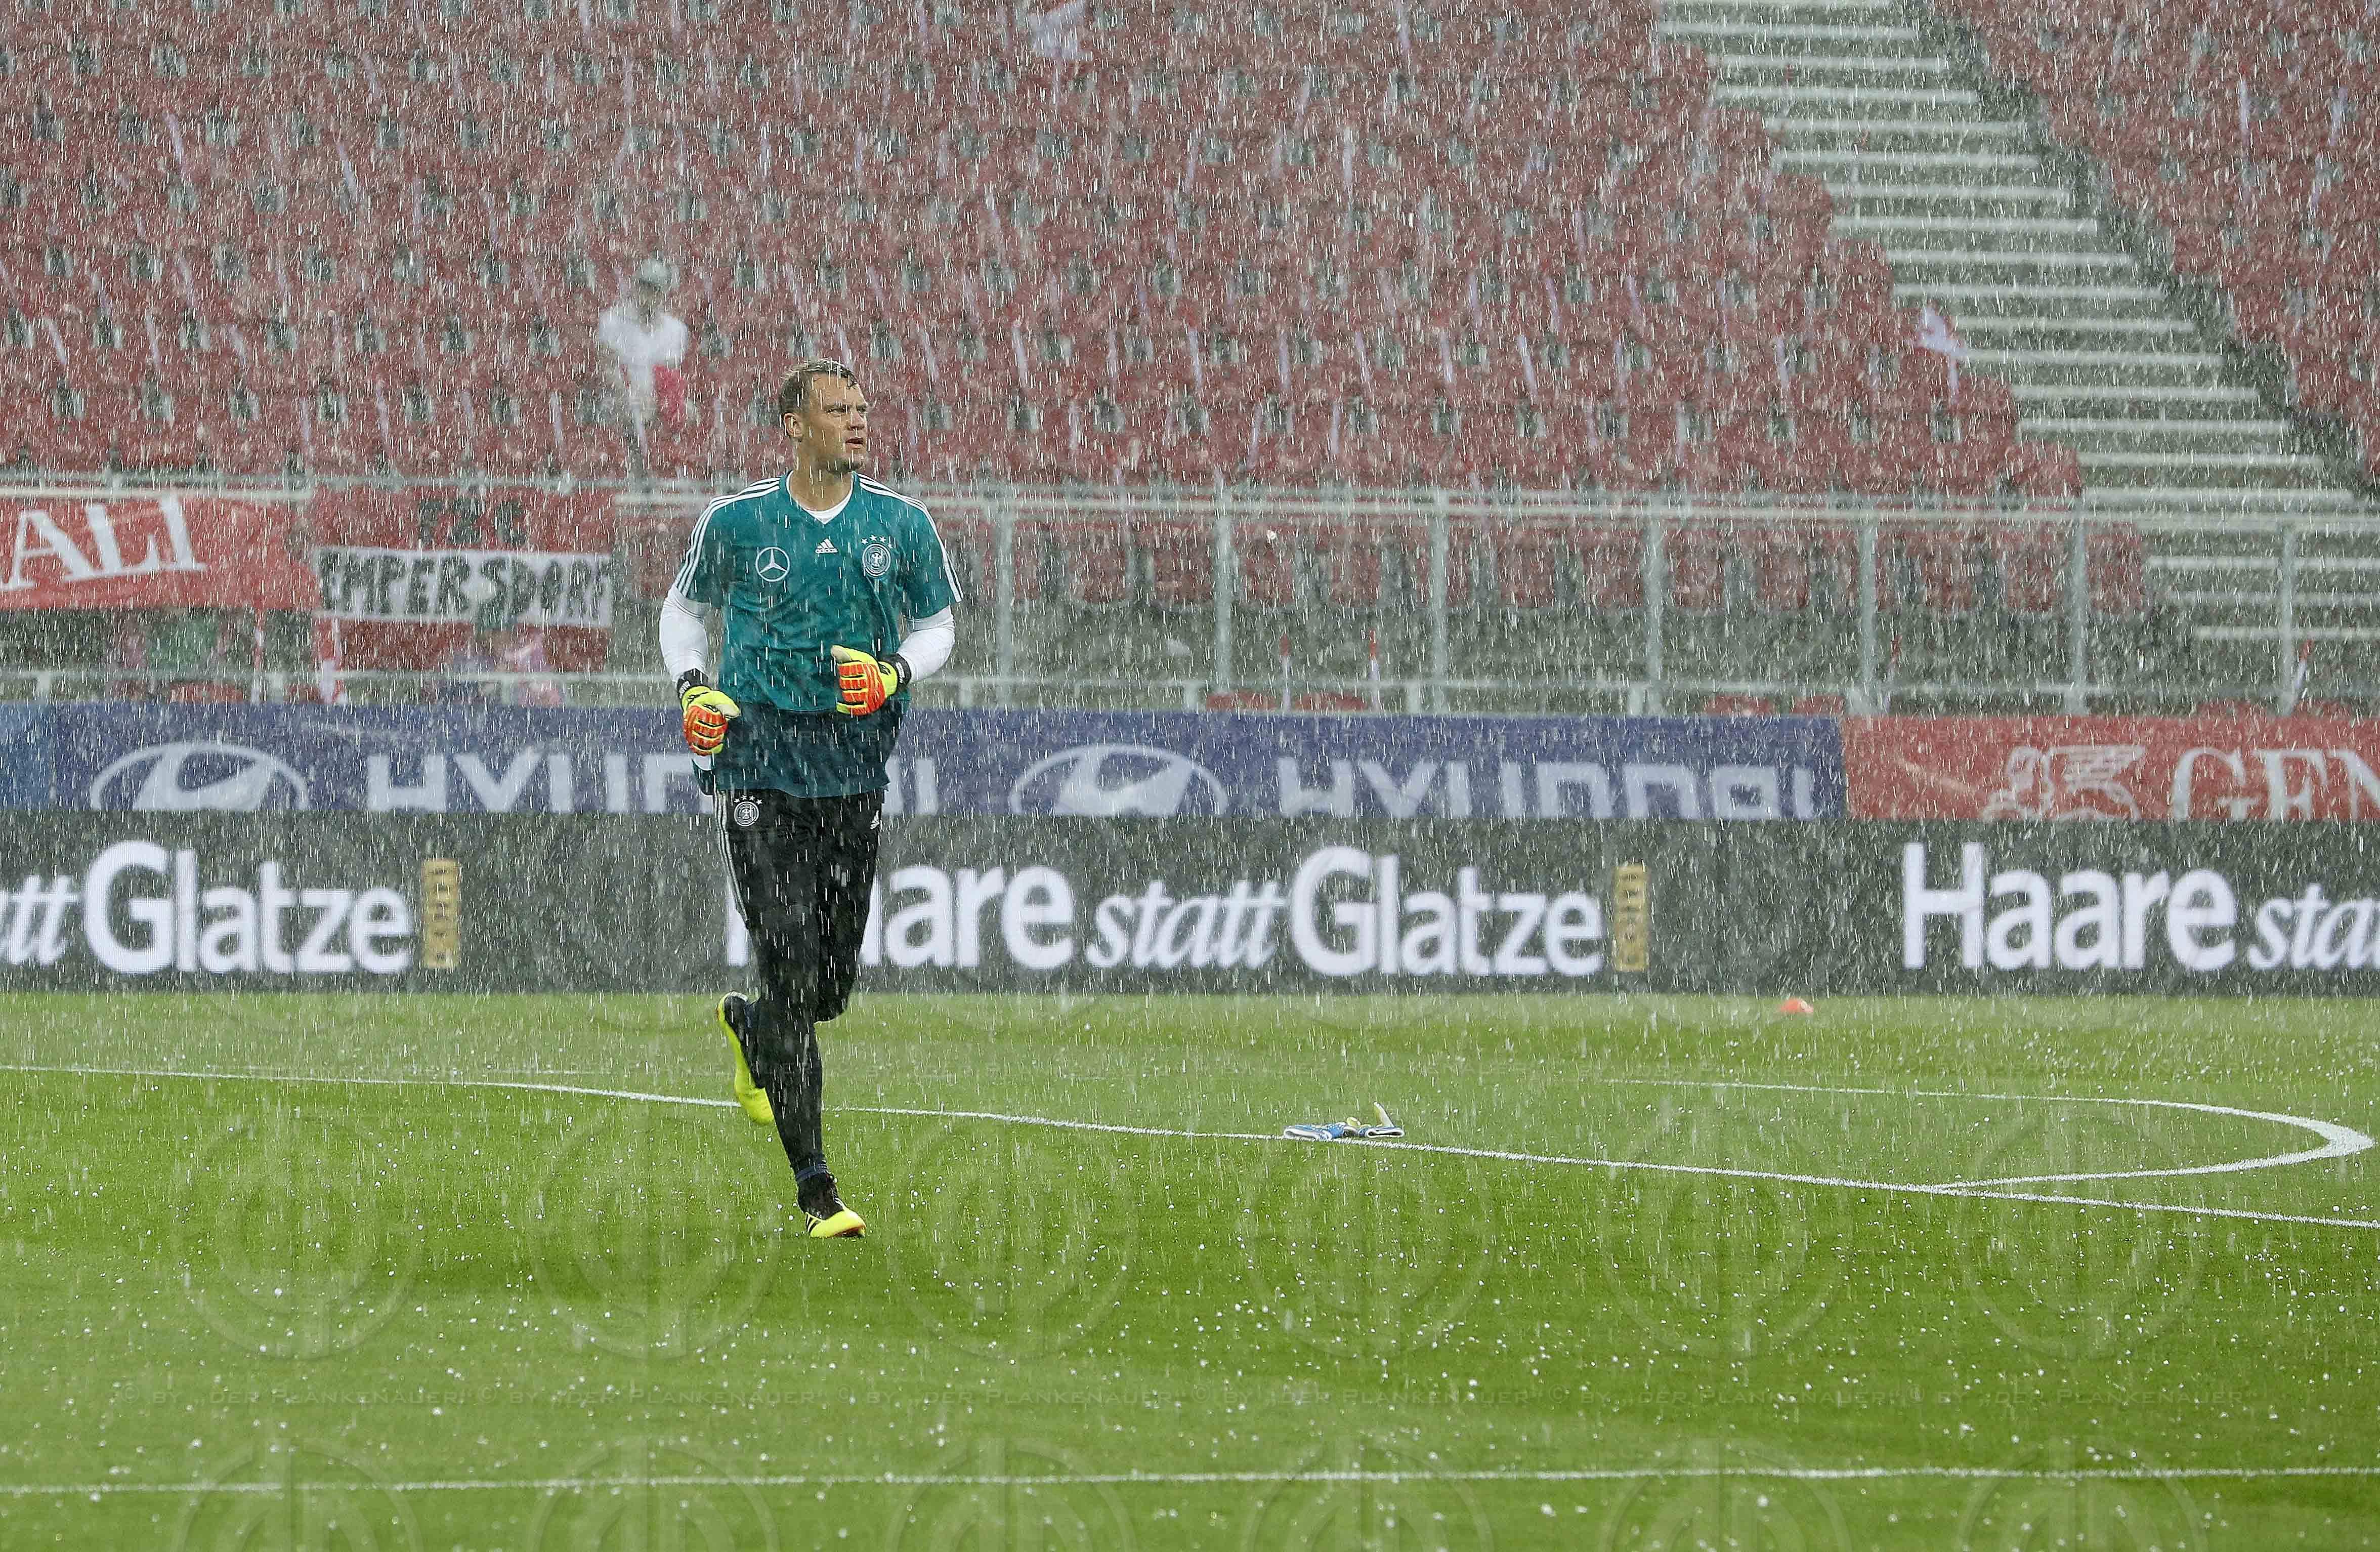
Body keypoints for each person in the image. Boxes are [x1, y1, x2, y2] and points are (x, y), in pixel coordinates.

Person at [657, 359, 959, 1239]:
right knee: (789, 964)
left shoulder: (899, 525)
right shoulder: (740, 521)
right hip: (757, 761)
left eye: (862, 408)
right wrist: (691, 685)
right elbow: (682, 611)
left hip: (853, 766)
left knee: (826, 985)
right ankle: (817, 1187)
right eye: (836, 410)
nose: (856, 423)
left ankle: (755, 1031)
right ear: (793, 423)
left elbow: (938, 626)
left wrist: (896, 669)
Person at [597, 259, 690, 450]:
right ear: (635, 286)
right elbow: (607, 367)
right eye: (644, 287)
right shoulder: (612, 321)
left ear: (662, 294)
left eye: (654, 290)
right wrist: (627, 397)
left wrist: (656, 401)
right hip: (620, 399)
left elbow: (670, 378)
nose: (648, 295)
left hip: (656, 403)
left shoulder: (676, 330)